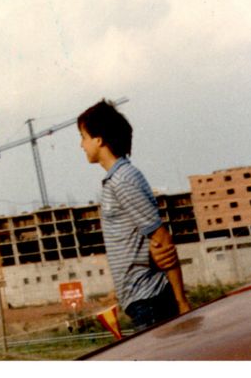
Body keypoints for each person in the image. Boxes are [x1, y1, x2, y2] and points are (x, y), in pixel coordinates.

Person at [78, 99, 191, 331]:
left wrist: (182, 303)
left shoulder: (122, 181)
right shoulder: (120, 178)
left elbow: (162, 239)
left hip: (149, 299)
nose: (81, 145)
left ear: (99, 140)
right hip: (142, 299)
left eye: (84, 137)